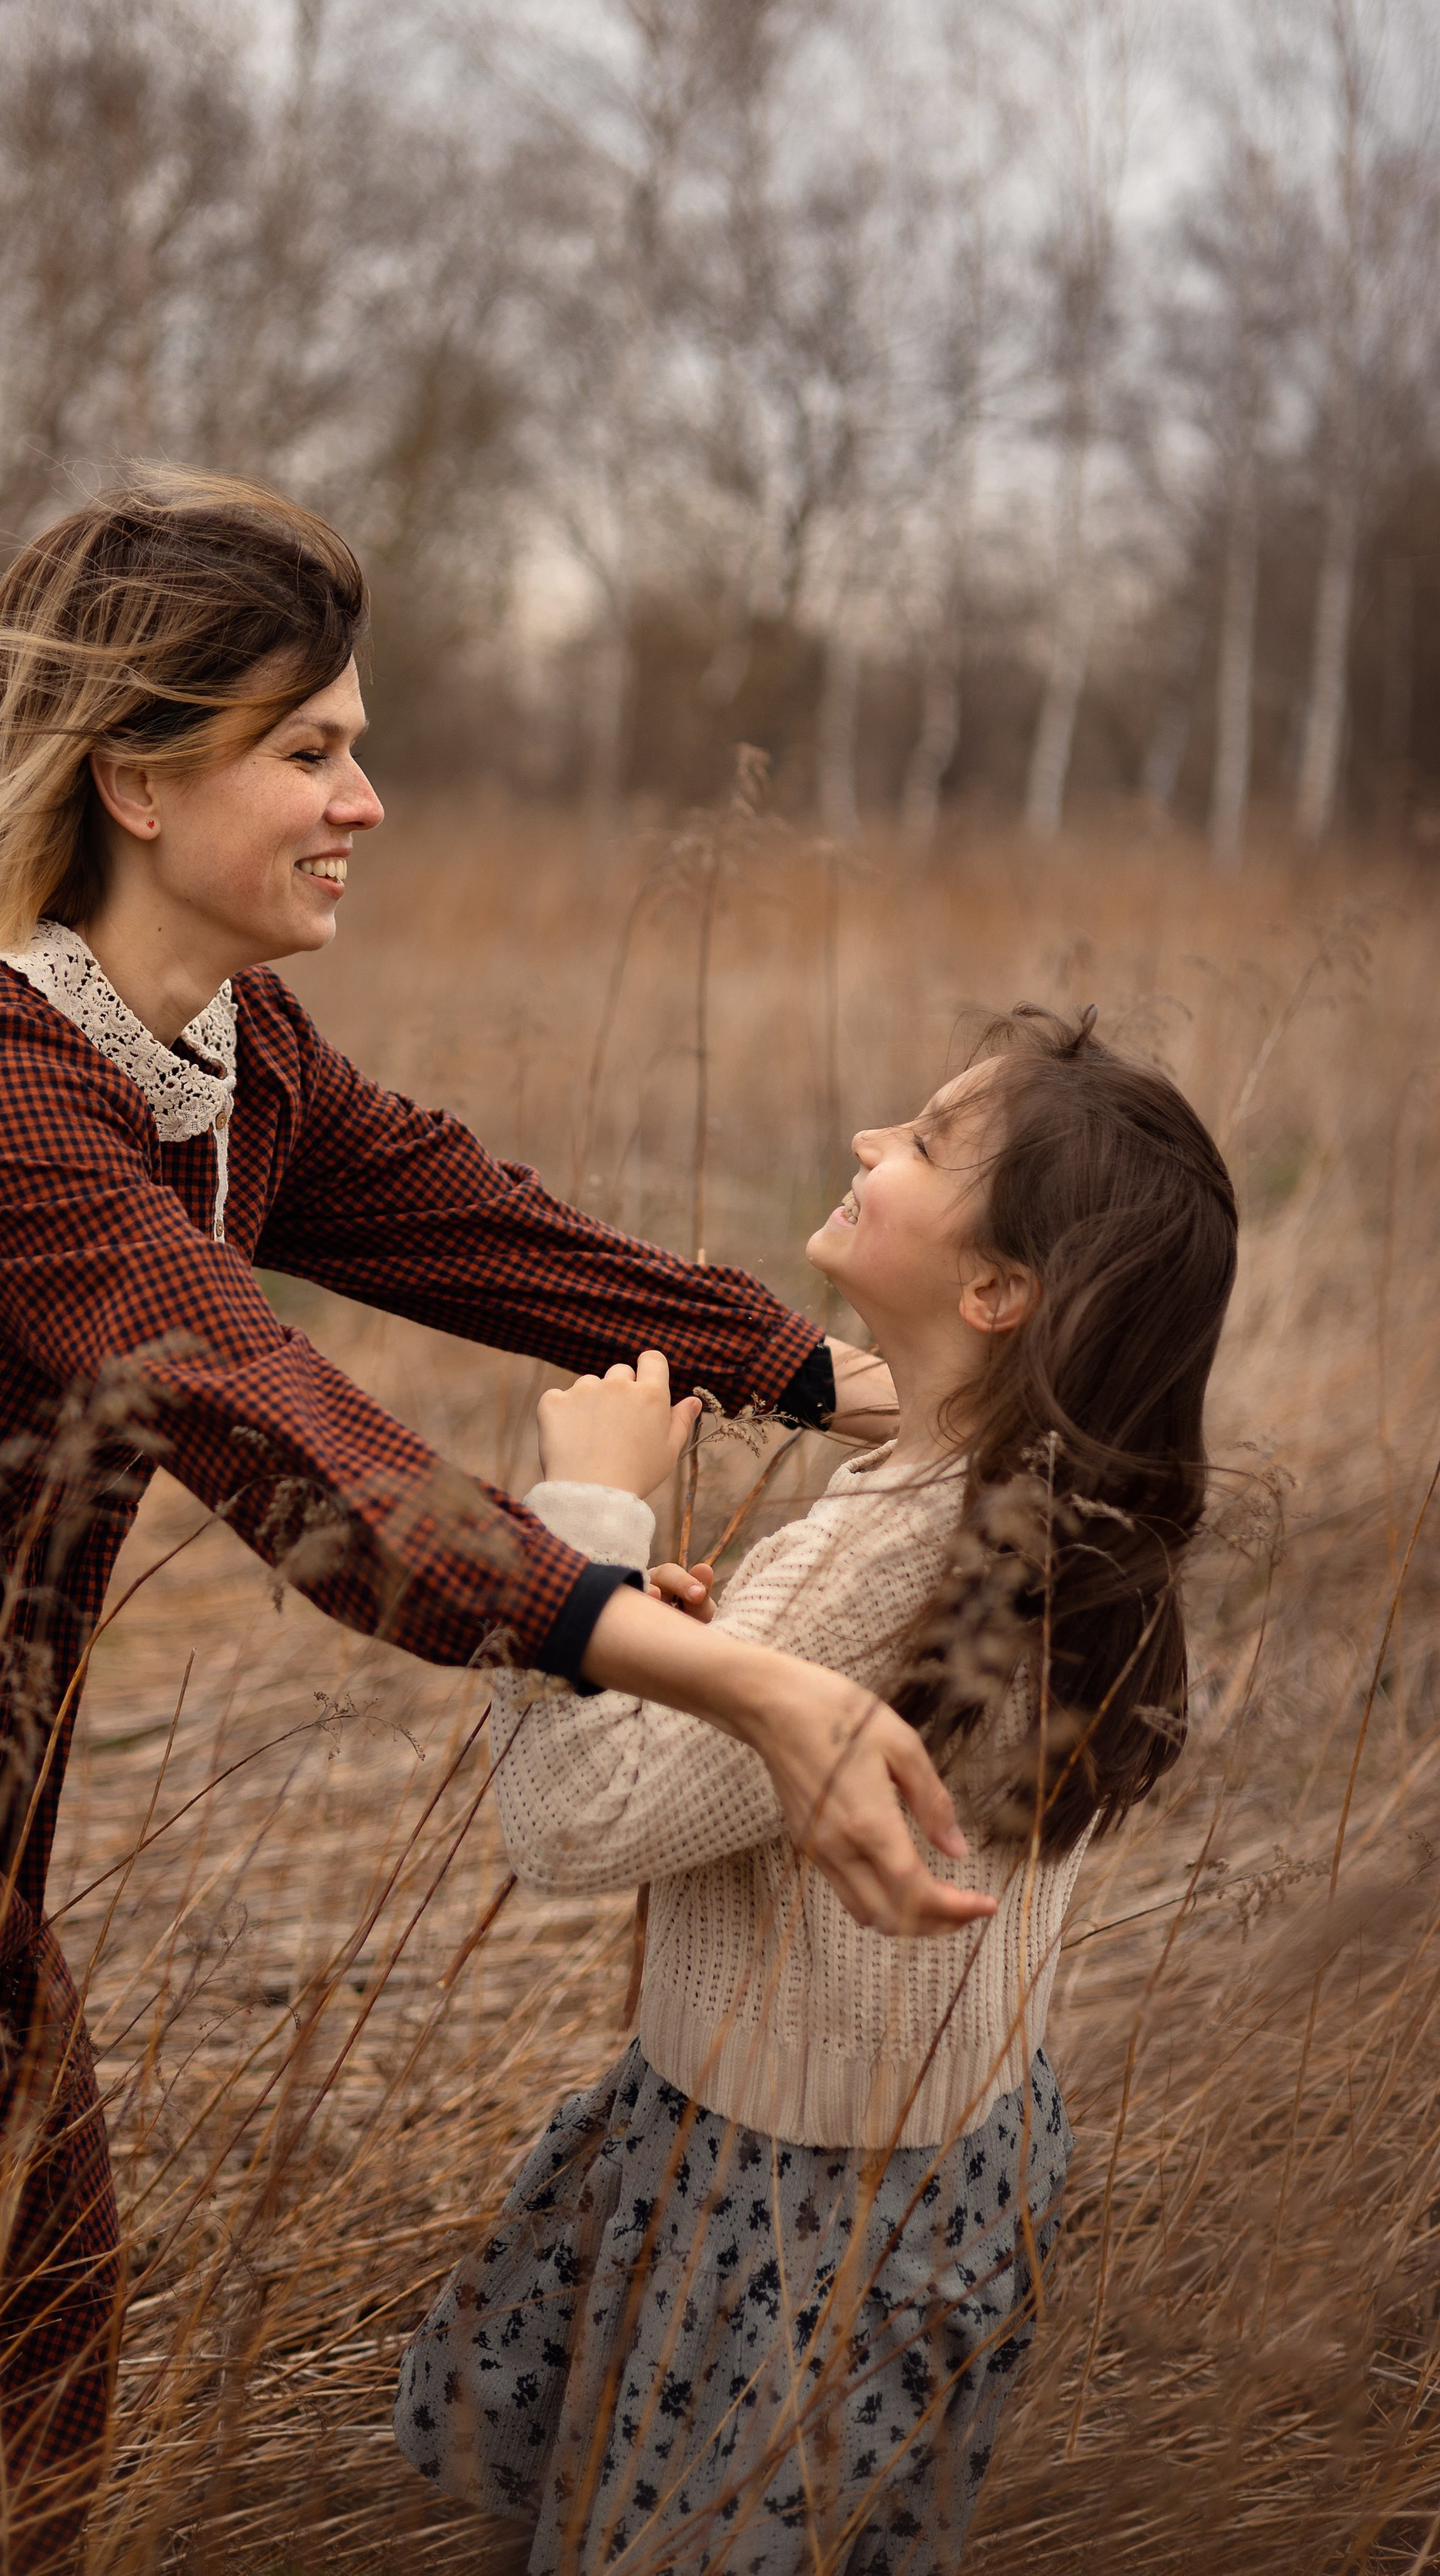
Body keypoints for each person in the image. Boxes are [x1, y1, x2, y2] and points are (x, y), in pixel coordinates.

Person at [0, 470, 995, 2576]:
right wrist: (716, 1671)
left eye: (353, 742)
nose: (366, 798)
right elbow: (267, 1425)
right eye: (314, 749)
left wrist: (840, 1383)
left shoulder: (232, 1053)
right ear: (141, 779)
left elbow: (469, 1219)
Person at [396, 1009, 1238, 2573]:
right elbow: (758, 1781)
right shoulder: (1049, 1506)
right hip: (942, 2168)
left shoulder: (886, 1554)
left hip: (773, 2199)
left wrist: (583, 1519)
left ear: (995, 1293)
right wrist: (671, 1657)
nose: (867, 1143)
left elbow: (567, 1827)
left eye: (921, 1141)